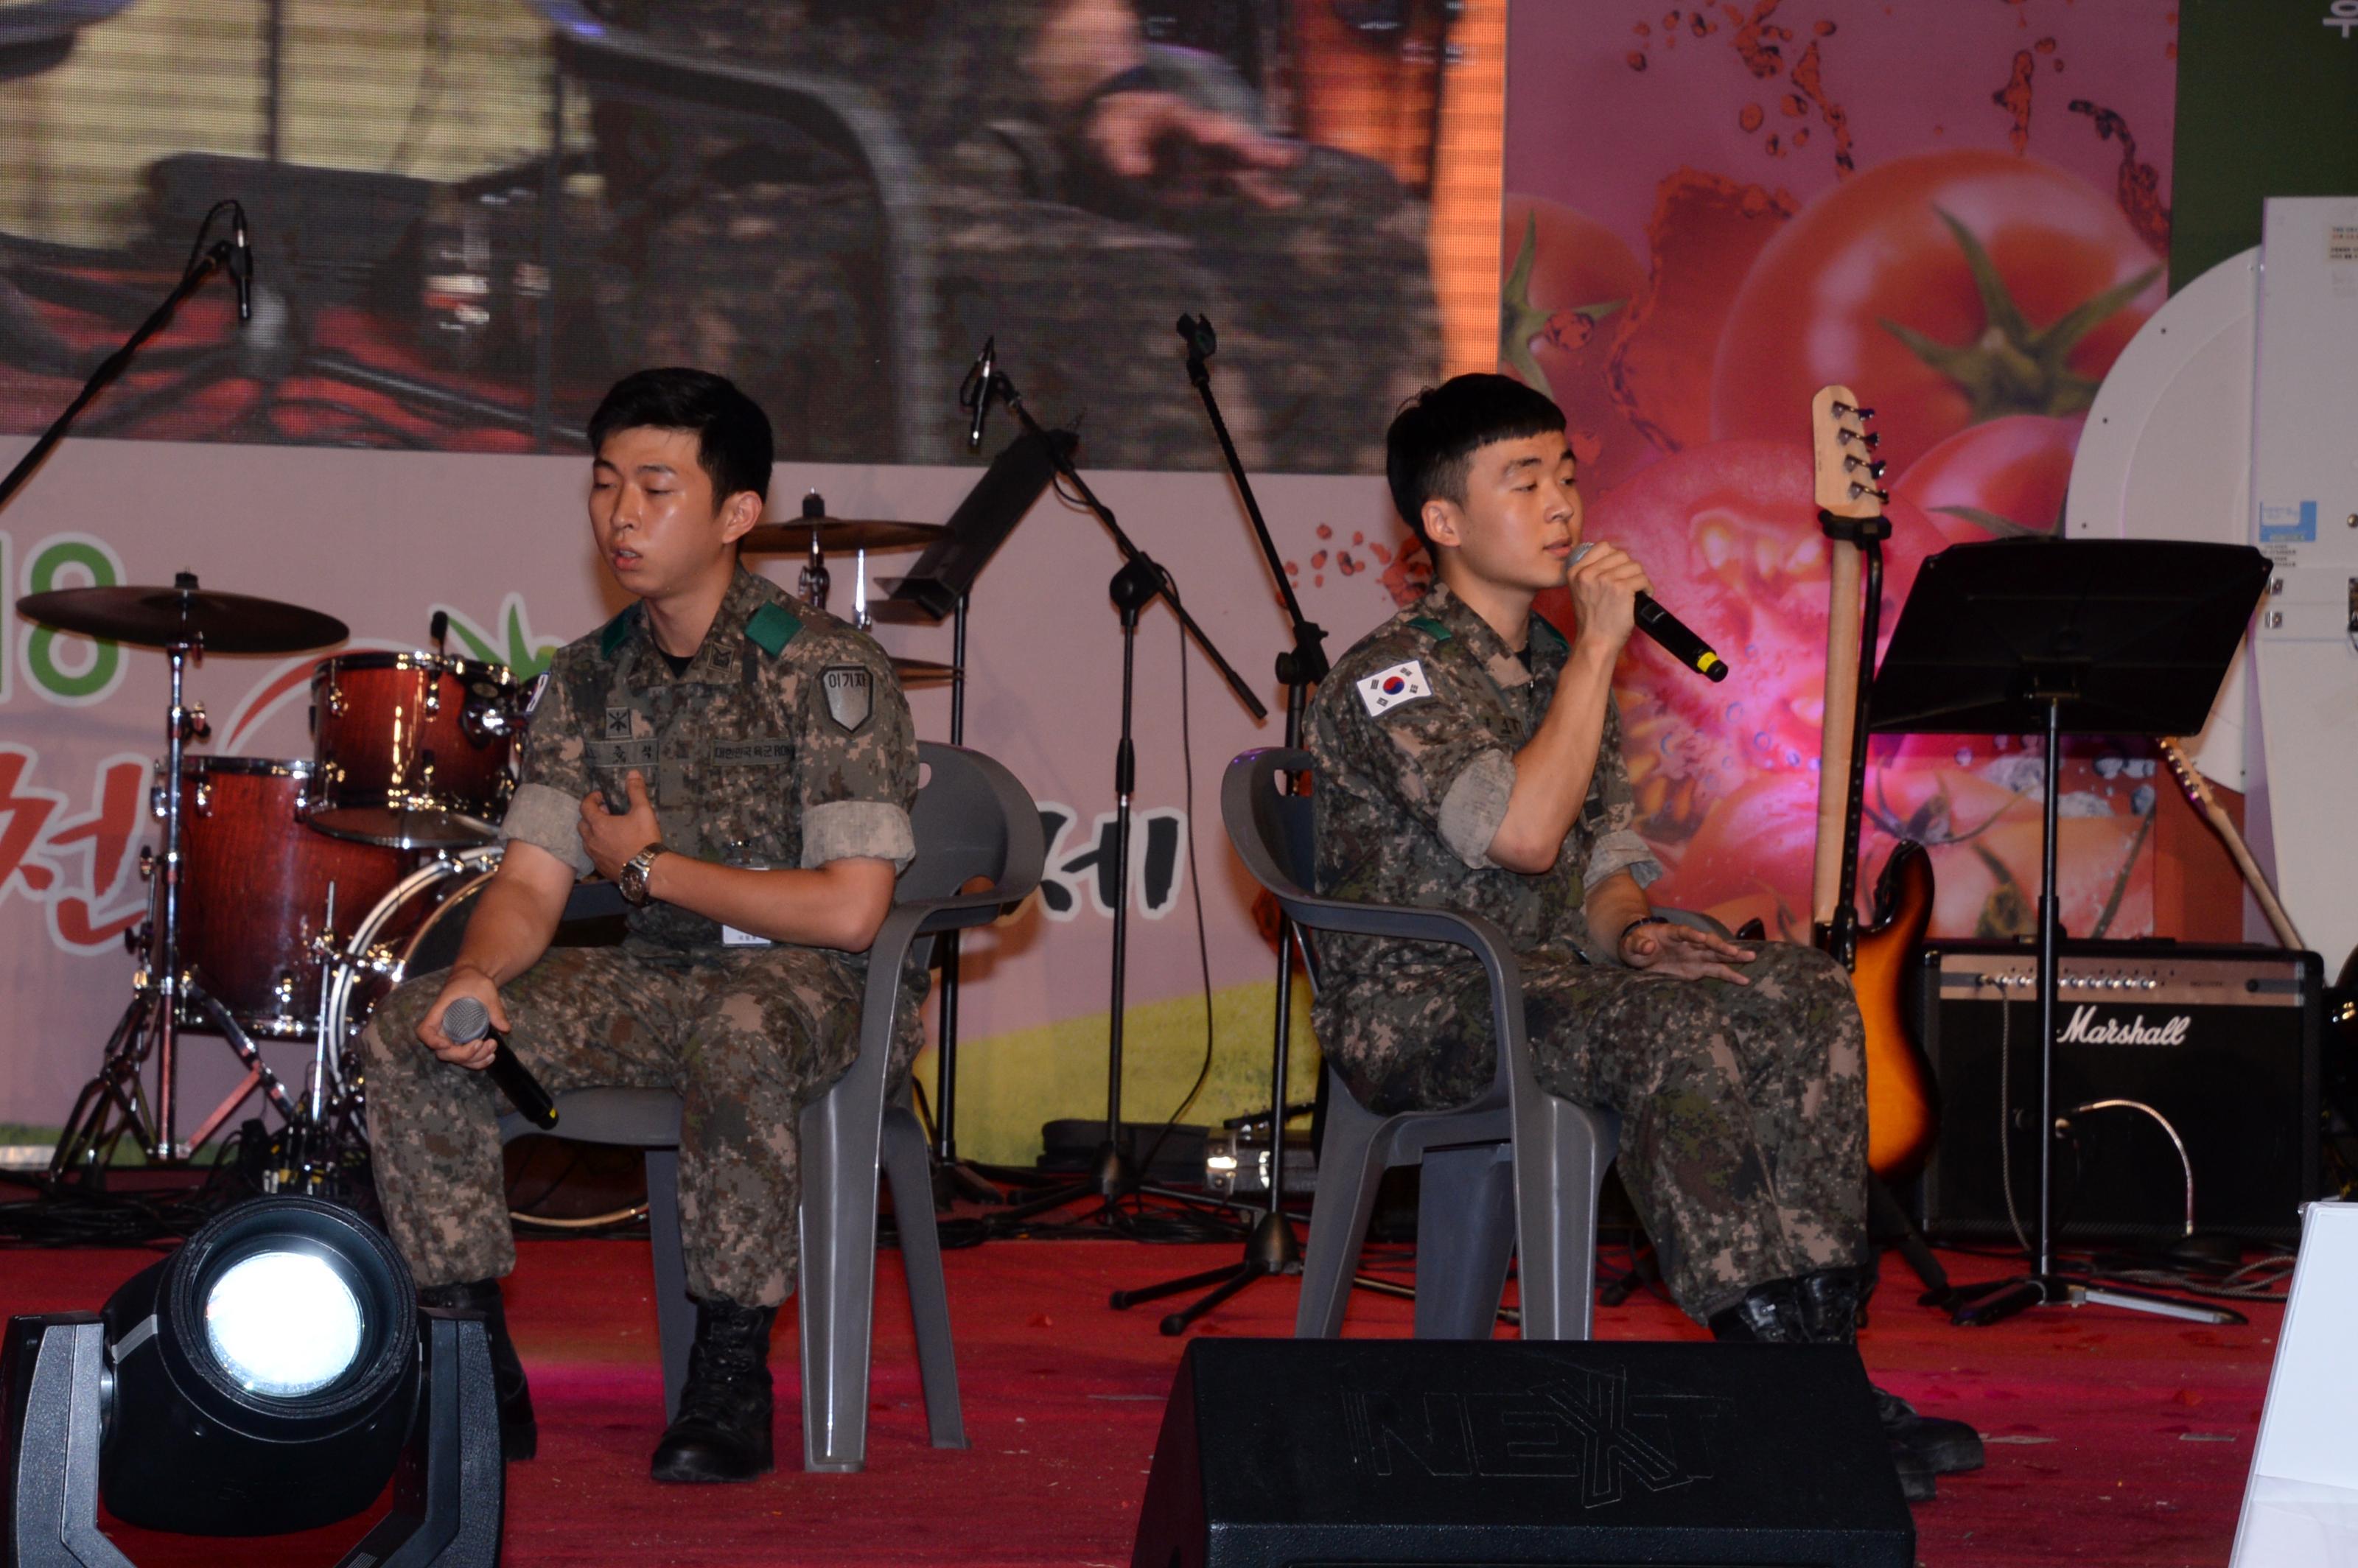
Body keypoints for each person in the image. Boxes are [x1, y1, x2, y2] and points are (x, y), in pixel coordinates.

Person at [1305, 373, 1981, 1501]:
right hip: (1426, 1009)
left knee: (1801, 992)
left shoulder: (1557, 672)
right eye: (1524, 481)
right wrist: (1595, 656)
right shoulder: (1396, 675)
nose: (1563, 503)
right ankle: (1776, 1389)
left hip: (1558, 985)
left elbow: (1605, 864)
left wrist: (1634, 937)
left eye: (1568, 474)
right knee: (1666, 1033)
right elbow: (1522, 836)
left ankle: (1821, 1364)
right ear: (1442, 522)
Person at [359, 367, 921, 1483]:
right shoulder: (586, 680)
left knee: (742, 1033)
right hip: (656, 980)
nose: (622, 513)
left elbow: (852, 914)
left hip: (811, 991)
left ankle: (727, 1370)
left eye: (658, 487)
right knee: (409, 1027)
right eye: (608, 483)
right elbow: (528, 885)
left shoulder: (827, 671)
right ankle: (474, 1368)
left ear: (737, 514)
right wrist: (478, 974)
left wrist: (655, 869)